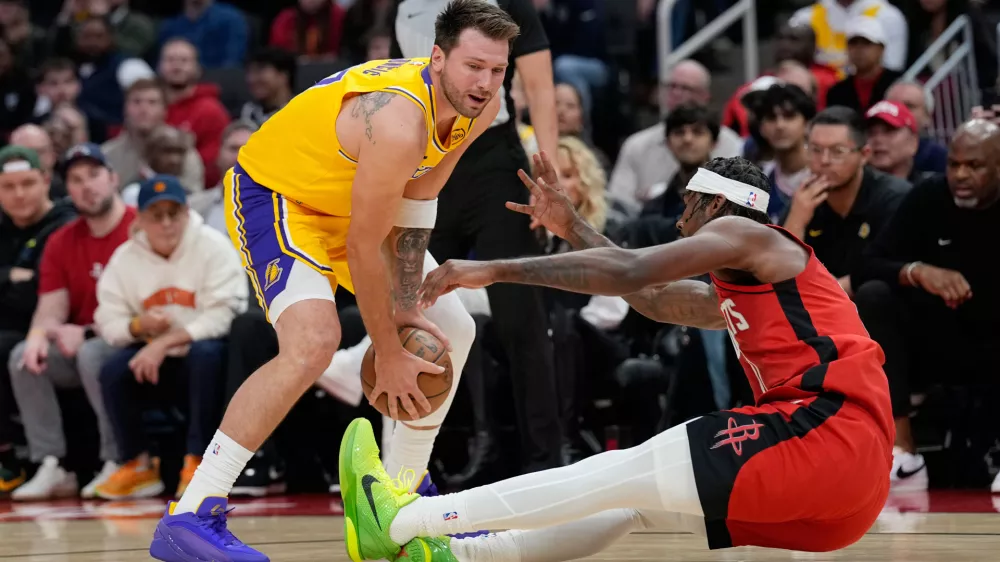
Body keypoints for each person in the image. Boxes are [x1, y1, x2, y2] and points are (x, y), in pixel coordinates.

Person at [338, 152, 894, 562]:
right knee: (628, 500)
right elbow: (650, 300)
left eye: (687, 208)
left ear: (715, 205)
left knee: (620, 470)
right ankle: (455, 557)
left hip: (827, 434)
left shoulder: (748, 234)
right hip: (851, 495)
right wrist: (572, 226)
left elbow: (631, 271)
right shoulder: (757, 286)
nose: (679, 223)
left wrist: (493, 268)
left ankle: (403, 520)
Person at [149, 2, 519, 561]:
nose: (486, 82)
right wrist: (389, 348)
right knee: (314, 343)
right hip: (279, 195)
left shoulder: (483, 105)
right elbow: (363, 248)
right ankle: (192, 512)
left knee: (451, 322)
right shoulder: (398, 120)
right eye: (473, 66)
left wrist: (407, 304)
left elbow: (419, 198)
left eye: (497, 70)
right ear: (437, 57)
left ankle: (397, 501)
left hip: (348, 203)